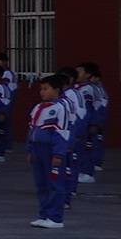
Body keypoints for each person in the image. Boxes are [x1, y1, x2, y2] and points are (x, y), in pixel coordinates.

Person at [26, 75, 75, 228]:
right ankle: (44, 214)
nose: (42, 92)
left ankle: (55, 218)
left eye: (46, 89)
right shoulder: (37, 108)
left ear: (57, 90)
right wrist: (30, 150)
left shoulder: (60, 108)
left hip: (51, 150)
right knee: (41, 184)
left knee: (55, 184)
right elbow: (31, 130)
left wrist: (59, 154)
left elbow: (62, 133)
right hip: (37, 149)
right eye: (41, 89)